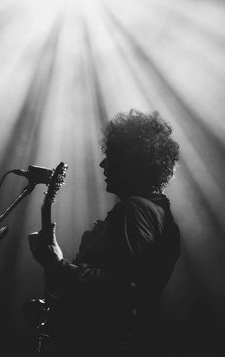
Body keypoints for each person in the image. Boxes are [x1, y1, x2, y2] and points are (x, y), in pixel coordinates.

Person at [28, 109, 180, 356]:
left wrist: (57, 264)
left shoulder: (135, 210)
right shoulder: (156, 214)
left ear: (131, 161)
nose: (102, 163)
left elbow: (124, 286)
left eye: (111, 156)